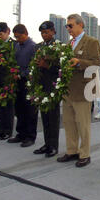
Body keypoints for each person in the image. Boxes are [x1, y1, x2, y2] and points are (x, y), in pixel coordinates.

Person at [56, 14, 100, 168]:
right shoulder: (69, 44)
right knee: (68, 122)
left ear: (80, 25)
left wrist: (78, 62)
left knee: (83, 124)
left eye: (70, 25)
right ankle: (72, 150)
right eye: (67, 26)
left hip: (83, 89)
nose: (68, 28)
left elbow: (96, 63)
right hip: (68, 90)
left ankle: (84, 154)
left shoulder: (91, 42)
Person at [32, 21, 61, 158]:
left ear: (53, 32)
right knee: (44, 117)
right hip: (41, 86)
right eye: (42, 33)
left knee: (53, 117)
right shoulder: (38, 47)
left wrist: (47, 66)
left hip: (53, 86)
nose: (44, 35)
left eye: (47, 32)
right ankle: (46, 143)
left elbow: (61, 69)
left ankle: (53, 146)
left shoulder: (59, 47)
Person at [7, 24, 38, 148]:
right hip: (17, 81)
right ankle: (21, 133)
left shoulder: (33, 47)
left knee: (30, 110)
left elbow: (33, 66)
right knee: (19, 109)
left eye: (19, 37)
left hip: (28, 82)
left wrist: (22, 75)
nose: (17, 39)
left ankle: (30, 136)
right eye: (15, 37)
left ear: (25, 34)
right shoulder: (17, 46)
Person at [0, 22, 15, 141]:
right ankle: (1, 130)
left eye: (1, 34)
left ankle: (8, 130)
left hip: (8, 79)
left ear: (8, 32)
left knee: (8, 107)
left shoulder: (13, 45)